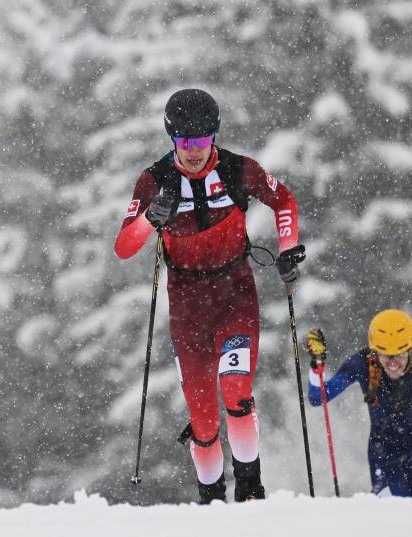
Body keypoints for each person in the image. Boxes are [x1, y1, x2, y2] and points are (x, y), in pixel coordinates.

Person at [114, 89, 304, 504]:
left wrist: (289, 247)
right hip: (187, 306)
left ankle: (251, 490)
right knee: (202, 420)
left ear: (214, 136)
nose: (195, 151)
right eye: (185, 142)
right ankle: (210, 502)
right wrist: (150, 220)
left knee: (236, 387)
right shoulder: (154, 181)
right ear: (172, 140)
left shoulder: (239, 170)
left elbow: (283, 199)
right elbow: (124, 247)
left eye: (202, 141)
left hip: (235, 294)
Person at [305, 310, 412, 497]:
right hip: (384, 455)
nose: (393, 363)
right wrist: (317, 363)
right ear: (374, 351)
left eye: (400, 355)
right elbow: (317, 396)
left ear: (411, 349)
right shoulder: (364, 363)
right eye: (385, 356)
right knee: (392, 514)